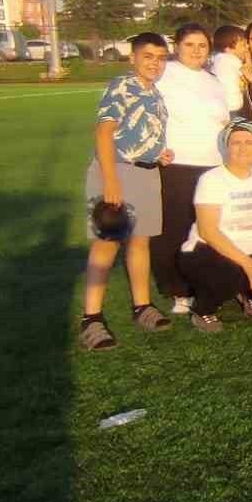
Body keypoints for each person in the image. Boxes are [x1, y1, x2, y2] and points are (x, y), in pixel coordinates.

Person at [78, 33, 174, 350]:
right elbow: (104, 133)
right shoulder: (122, 86)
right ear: (132, 58)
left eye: (161, 57)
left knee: (140, 242)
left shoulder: (155, 93)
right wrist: (111, 181)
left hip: (146, 173)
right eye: (148, 56)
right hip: (116, 171)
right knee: (106, 244)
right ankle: (91, 318)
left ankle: (141, 306)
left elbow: (139, 133)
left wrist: (158, 154)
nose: (155, 63)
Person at [179, 120, 252, 334]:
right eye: (236, 143)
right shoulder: (211, 179)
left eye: (249, 142)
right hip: (210, 249)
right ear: (226, 147)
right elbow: (208, 231)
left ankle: (246, 292)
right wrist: (248, 264)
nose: (243, 148)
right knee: (230, 275)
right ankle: (203, 309)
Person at [149, 24, 230, 316]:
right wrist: (153, 148)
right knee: (174, 229)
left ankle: (204, 282)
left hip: (212, 165)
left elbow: (223, 120)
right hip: (177, 164)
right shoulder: (163, 75)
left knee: (207, 228)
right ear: (177, 47)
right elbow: (146, 114)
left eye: (202, 46)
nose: (196, 51)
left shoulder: (214, 80)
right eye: (189, 45)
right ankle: (178, 290)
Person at [210, 24, 248, 114]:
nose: (247, 47)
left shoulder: (216, 59)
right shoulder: (232, 60)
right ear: (228, 49)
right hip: (232, 106)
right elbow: (246, 78)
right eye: (243, 45)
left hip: (219, 106)